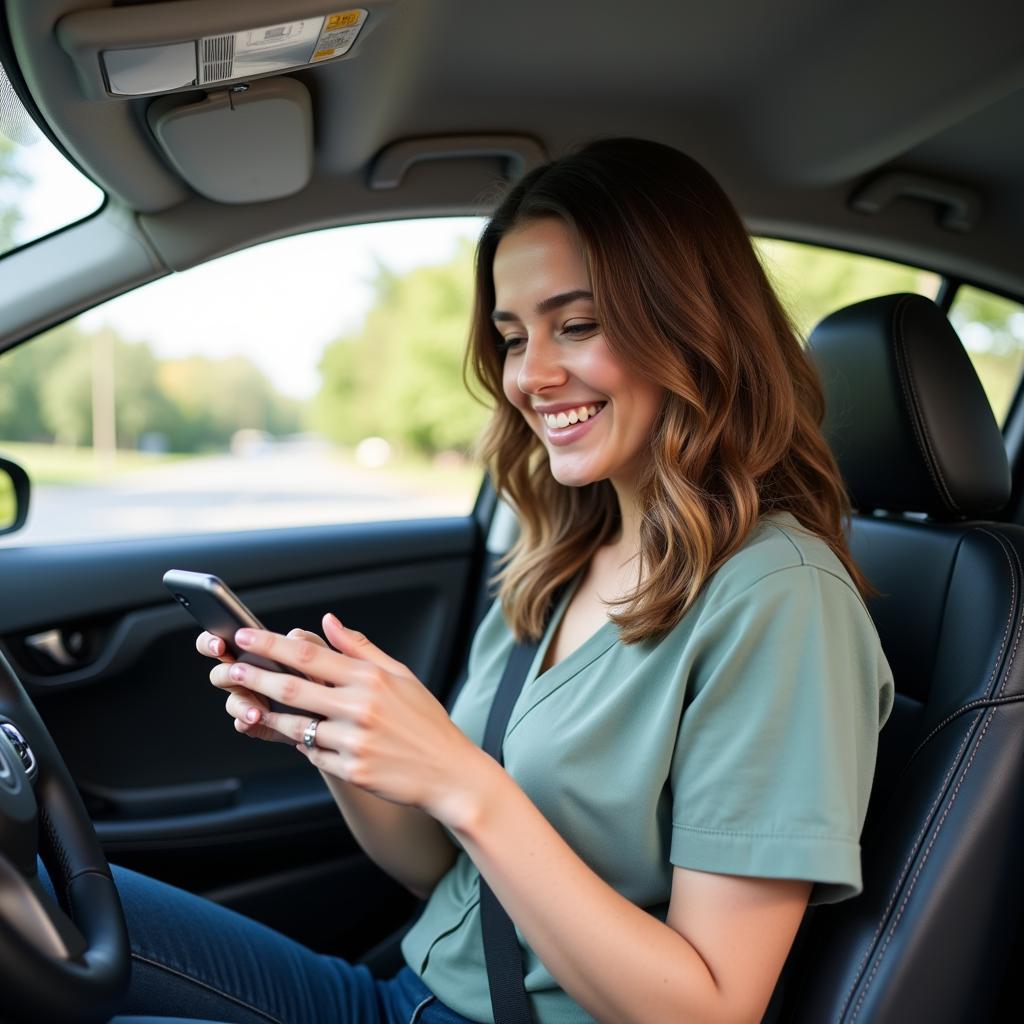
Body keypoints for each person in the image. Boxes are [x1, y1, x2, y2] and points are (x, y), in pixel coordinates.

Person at [97, 137, 895, 1024]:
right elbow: (444, 874)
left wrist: (464, 782)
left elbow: (709, 1009)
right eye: (514, 337)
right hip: (404, 997)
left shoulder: (781, 600)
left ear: (693, 325)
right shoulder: (560, 559)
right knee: (65, 897)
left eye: (578, 325)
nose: (531, 375)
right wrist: (340, 744)